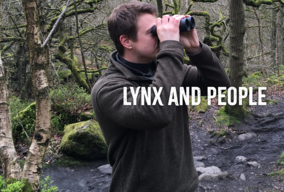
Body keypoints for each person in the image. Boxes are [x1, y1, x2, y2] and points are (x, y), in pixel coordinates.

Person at [91, 1, 230, 192]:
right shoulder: (108, 89)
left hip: (186, 185)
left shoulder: (166, 70)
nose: (161, 35)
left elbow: (219, 85)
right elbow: (157, 113)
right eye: (153, 32)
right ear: (126, 41)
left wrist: (195, 49)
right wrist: (171, 46)